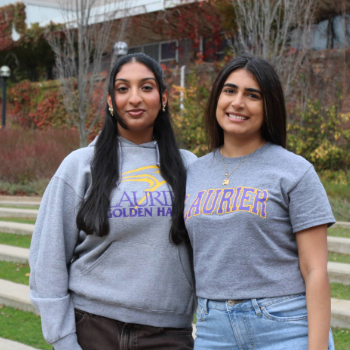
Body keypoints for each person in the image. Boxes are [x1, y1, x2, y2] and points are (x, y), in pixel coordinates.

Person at [29, 53, 197, 350]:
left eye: (146, 87)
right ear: (109, 101)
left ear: (164, 98)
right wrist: (63, 340)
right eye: (123, 88)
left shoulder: (190, 167)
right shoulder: (80, 165)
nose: (135, 98)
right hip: (92, 328)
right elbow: (48, 259)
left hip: (168, 333)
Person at [184, 55, 335, 350]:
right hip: (213, 329)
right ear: (217, 98)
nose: (237, 103)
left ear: (269, 106)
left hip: (285, 325)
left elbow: (315, 269)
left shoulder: (295, 170)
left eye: (252, 95)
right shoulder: (192, 172)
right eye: (230, 91)